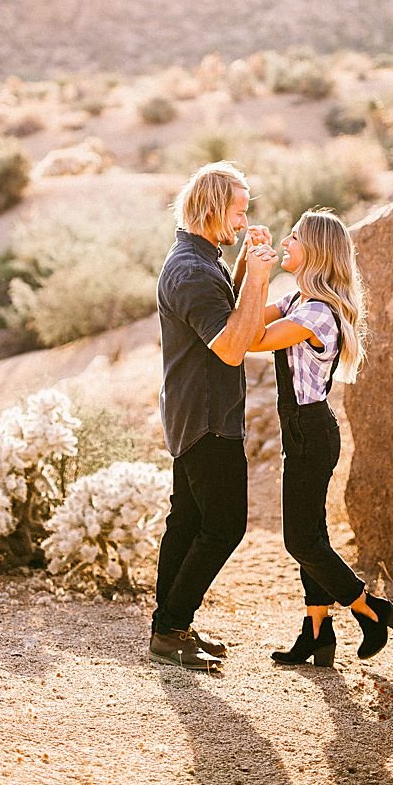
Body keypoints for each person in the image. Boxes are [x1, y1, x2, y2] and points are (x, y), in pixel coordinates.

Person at [254, 209, 393, 666]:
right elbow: (249, 318)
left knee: (301, 541)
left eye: (294, 237)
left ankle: (370, 609)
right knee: (312, 535)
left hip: (312, 432)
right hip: (301, 431)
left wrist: (257, 274)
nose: (285, 242)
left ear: (315, 250)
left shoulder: (318, 313)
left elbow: (253, 339)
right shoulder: (298, 301)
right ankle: (317, 632)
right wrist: (251, 267)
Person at [148, 162, 277, 670]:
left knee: (188, 520)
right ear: (211, 208)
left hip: (194, 410)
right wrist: (260, 279)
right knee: (223, 525)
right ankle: (172, 625)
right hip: (206, 416)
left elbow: (223, 314)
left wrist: (245, 266)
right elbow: (229, 347)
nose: (244, 222)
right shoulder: (192, 271)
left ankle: (170, 627)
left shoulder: (199, 260)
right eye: (239, 212)